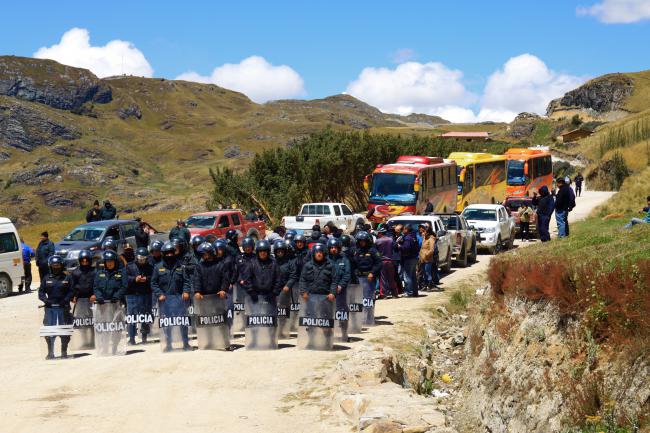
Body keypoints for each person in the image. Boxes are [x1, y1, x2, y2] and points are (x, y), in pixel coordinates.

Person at [151, 241, 192, 351]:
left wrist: (186, 291)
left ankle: (186, 344)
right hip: (165, 300)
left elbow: (187, 281)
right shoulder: (157, 267)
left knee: (183, 322)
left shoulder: (181, 266)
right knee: (167, 324)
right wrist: (159, 294)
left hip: (179, 299)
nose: (169, 255)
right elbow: (153, 283)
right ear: (163, 254)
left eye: (171, 252)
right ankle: (168, 345)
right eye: (167, 253)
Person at [38, 255, 73, 359]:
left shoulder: (67, 277)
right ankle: (50, 352)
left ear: (61, 265)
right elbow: (41, 292)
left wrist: (66, 300)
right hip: (50, 309)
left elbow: (72, 291)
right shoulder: (46, 278)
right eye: (54, 265)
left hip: (64, 307)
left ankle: (64, 351)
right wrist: (45, 300)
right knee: (49, 331)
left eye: (58, 265)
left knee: (65, 331)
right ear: (50, 266)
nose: (56, 267)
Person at [125, 248, 154, 345]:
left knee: (145, 315)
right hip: (132, 295)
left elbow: (154, 278)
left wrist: (147, 279)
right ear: (136, 257)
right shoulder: (129, 266)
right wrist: (134, 279)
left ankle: (144, 337)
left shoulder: (150, 267)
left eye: (144, 259)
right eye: (140, 258)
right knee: (131, 317)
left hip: (145, 294)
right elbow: (125, 279)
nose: (142, 261)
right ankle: (132, 338)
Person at [352, 231, 381, 301]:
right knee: (360, 297)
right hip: (359, 277)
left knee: (369, 297)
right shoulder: (357, 252)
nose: (362, 242)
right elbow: (354, 263)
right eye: (360, 241)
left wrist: (372, 273)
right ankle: (363, 312)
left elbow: (378, 263)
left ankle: (369, 312)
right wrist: (355, 272)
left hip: (369, 277)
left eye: (363, 241)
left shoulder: (373, 251)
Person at [327, 238, 351, 313]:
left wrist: (341, 285)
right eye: (331, 247)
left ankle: (343, 324)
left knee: (341, 307)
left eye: (335, 247)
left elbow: (347, 274)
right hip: (328, 288)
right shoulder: (325, 259)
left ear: (339, 248)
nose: (333, 249)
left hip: (341, 289)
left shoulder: (344, 259)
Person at [396, 224, 420, 297]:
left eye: (404, 229)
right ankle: (415, 292)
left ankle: (409, 292)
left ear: (406, 230)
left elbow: (406, 248)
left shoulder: (408, 238)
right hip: (414, 258)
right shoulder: (413, 236)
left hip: (408, 258)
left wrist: (399, 246)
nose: (403, 230)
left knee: (407, 276)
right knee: (413, 276)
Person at [374, 228, 398, 298]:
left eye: (378, 233)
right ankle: (394, 294)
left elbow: (375, 252)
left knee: (383, 279)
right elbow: (395, 248)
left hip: (382, 262)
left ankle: (383, 294)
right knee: (391, 278)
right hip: (390, 261)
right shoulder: (391, 240)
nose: (377, 234)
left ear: (381, 233)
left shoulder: (377, 241)